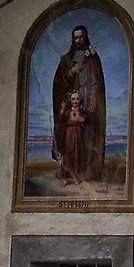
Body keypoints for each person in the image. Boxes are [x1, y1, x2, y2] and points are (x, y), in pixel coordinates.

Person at [52, 24, 107, 186]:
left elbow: (97, 80)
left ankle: (87, 171)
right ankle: (69, 172)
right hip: (73, 102)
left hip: (88, 103)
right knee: (71, 140)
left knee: (88, 135)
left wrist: (93, 95)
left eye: (81, 37)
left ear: (86, 38)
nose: (79, 40)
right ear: (73, 39)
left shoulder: (93, 58)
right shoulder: (67, 59)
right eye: (76, 37)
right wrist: (73, 71)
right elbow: (59, 82)